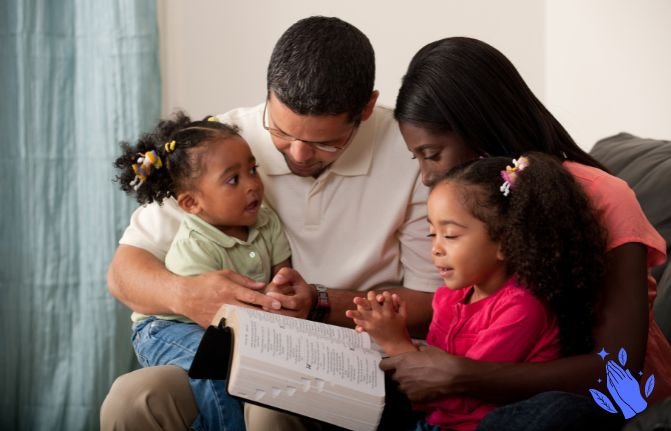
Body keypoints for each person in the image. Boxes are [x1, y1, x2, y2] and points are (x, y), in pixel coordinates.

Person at [100, 16, 441, 431]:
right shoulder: (223, 145)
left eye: (324, 142)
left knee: (269, 405)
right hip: (244, 347)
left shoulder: (409, 154)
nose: (297, 154)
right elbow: (124, 273)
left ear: (366, 108)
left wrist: (318, 303)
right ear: (269, 94)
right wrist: (188, 295)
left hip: (350, 359)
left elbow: (431, 306)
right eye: (280, 131)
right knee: (133, 399)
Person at [383, 36, 669, 430]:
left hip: (593, 401)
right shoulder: (470, 212)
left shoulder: (603, 197)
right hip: (495, 389)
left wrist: (459, 375)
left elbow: (616, 372)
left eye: (432, 155)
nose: (427, 176)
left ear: (479, 129)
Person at [348, 153, 608, 430]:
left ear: (506, 243)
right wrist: (394, 329)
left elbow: (454, 394)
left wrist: (396, 344)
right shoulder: (450, 296)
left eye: (450, 235)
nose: (435, 248)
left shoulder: (522, 308)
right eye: (431, 234)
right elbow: (433, 379)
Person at [112, 112, 291, 430]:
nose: (252, 185)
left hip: (220, 328)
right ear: (192, 204)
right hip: (166, 328)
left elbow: (282, 276)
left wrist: (282, 291)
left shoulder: (266, 221)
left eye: (252, 170)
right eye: (233, 180)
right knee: (213, 369)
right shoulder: (194, 245)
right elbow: (213, 315)